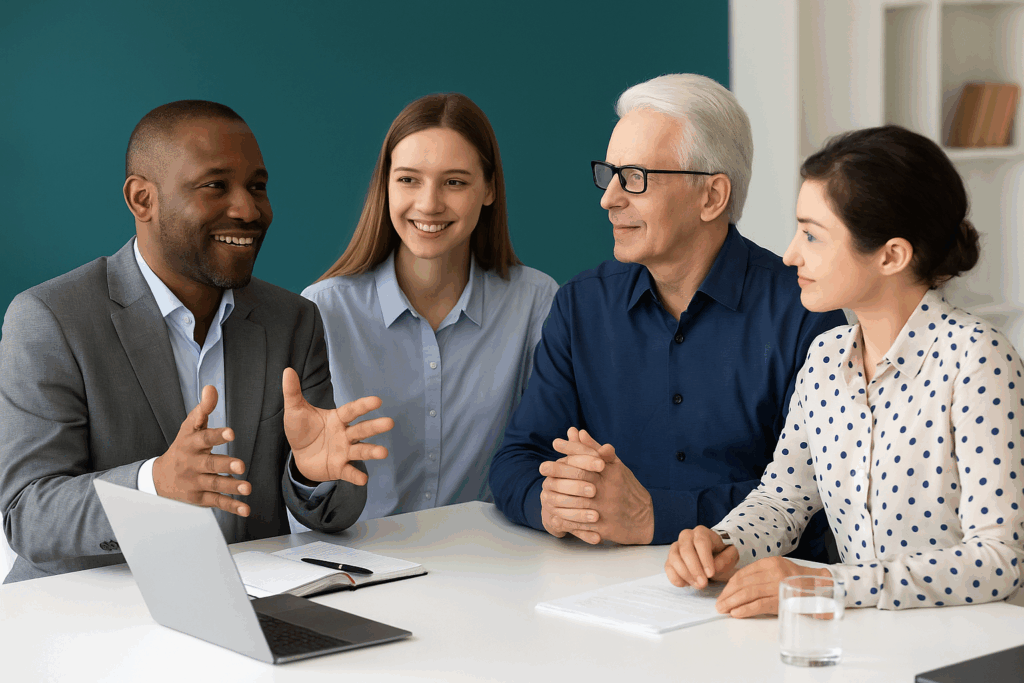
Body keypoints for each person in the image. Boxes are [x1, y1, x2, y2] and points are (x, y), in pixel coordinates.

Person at [0, 100, 393, 583]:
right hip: (91, 620)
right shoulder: (50, 318)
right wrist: (154, 484)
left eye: (257, 187)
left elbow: (333, 514)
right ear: (142, 199)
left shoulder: (293, 320)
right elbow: (29, 514)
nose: (249, 210)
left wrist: (310, 476)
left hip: (246, 610)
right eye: (215, 186)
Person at [665, 125, 1024, 614]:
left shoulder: (977, 359)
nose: (791, 254)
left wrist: (828, 585)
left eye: (812, 235)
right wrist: (725, 543)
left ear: (891, 255)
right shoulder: (825, 356)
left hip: (963, 651)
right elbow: (783, 499)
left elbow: (999, 560)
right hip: (862, 646)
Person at [488, 74, 848, 554]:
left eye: (634, 178)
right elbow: (516, 459)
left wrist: (654, 516)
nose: (609, 199)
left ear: (712, 197)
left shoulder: (802, 311)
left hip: (748, 596)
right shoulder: (581, 306)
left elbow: (823, 496)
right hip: (596, 592)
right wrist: (550, 500)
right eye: (609, 174)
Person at [301, 93, 557, 521]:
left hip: (487, 566)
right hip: (359, 568)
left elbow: (543, 456)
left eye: (454, 182)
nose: (429, 204)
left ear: (489, 188)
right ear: (385, 185)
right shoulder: (323, 311)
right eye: (408, 180)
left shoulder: (536, 302)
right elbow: (301, 497)